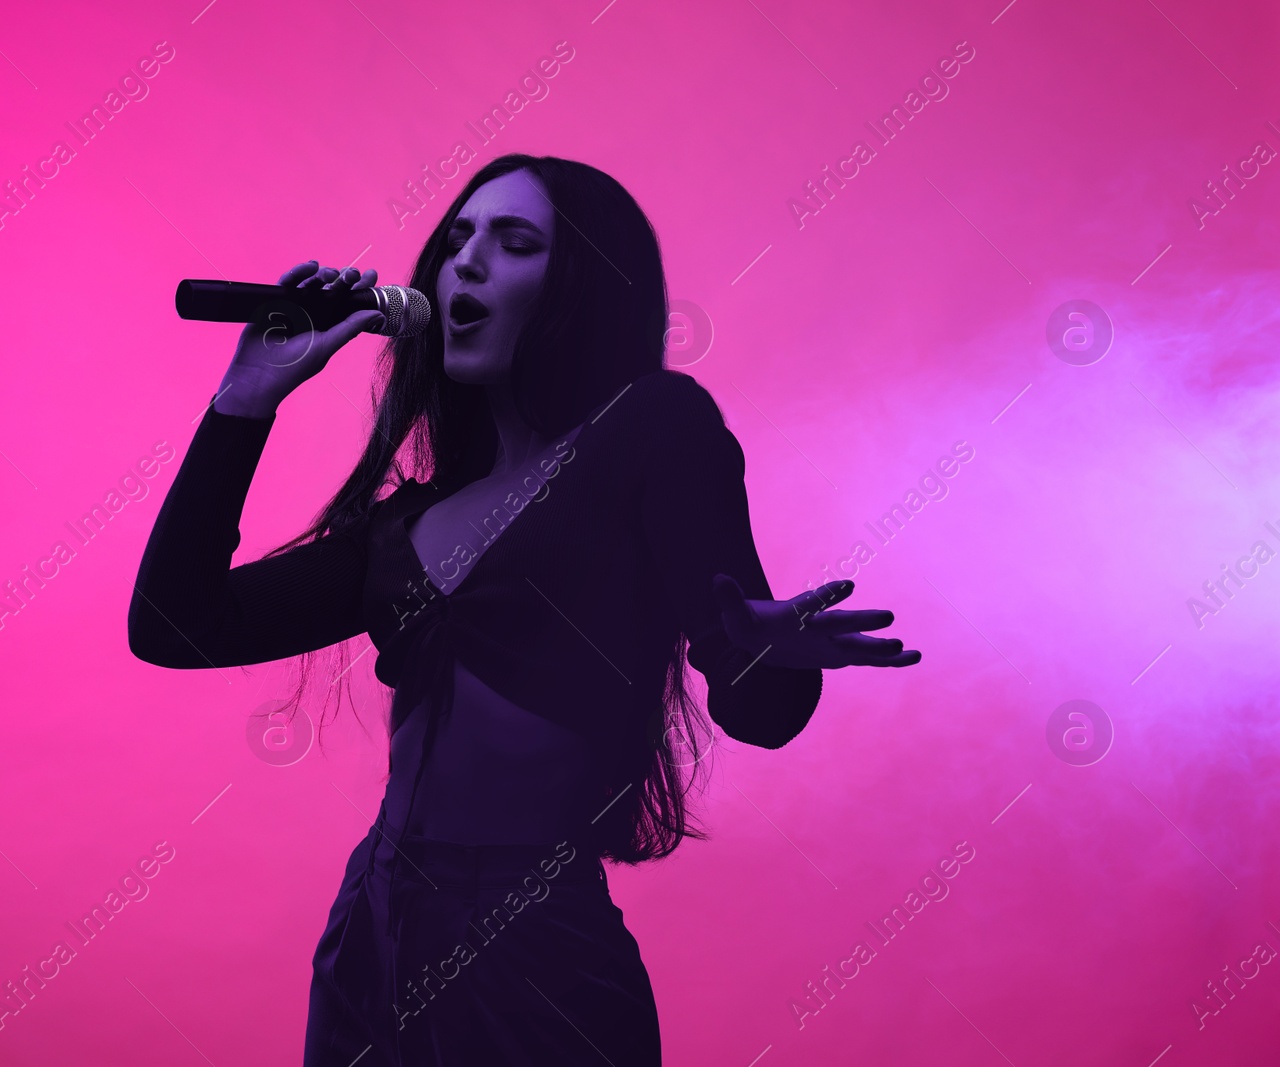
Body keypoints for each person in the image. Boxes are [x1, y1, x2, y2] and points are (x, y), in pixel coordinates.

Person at [128, 154, 920, 1066]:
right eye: (457, 239)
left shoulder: (654, 428)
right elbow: (175, 624)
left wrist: (753, 650)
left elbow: (766, 713)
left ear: (579, 285)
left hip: (534, 952)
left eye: (514, 243)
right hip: (370, 938)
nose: (465, 264)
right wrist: (243, 403)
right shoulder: (408, 520)